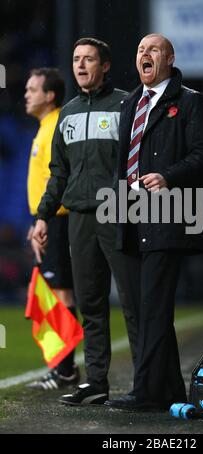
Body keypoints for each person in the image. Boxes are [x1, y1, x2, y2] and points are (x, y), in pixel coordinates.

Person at [106, 33, 203, 410]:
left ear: (169, 58)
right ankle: (168, 389)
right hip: (131, 213)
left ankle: (146, 391)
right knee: (143, 307)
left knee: (154, 305)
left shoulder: (190, 102)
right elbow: (122, 162)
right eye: (140, 50)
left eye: (153, 49)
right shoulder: (130, 104)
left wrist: (168, 176)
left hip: (169, 212)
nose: (144, 55)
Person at [32, 38, 138, 405]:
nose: (80, 65)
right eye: (76, 59)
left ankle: (145, 383)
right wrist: (44, 216)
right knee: (91, 303)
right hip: (79, 218)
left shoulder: (127, 104)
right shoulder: (69, 112)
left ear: (105, 65)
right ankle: (96, 382)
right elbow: (58, 173)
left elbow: (138, 163)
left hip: (119, 213)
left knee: (132, 300)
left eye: (88, 59)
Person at [25, 67, 80, 390]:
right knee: (54, 293)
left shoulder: (56, 125)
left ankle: (66, 371)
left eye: (33, 89)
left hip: (59, 220)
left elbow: (61, 178)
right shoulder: (45, 126)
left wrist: (46, 220)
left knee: (61, 292)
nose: (26, 94)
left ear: (50, 95)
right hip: (48, 220)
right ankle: (61, 368)